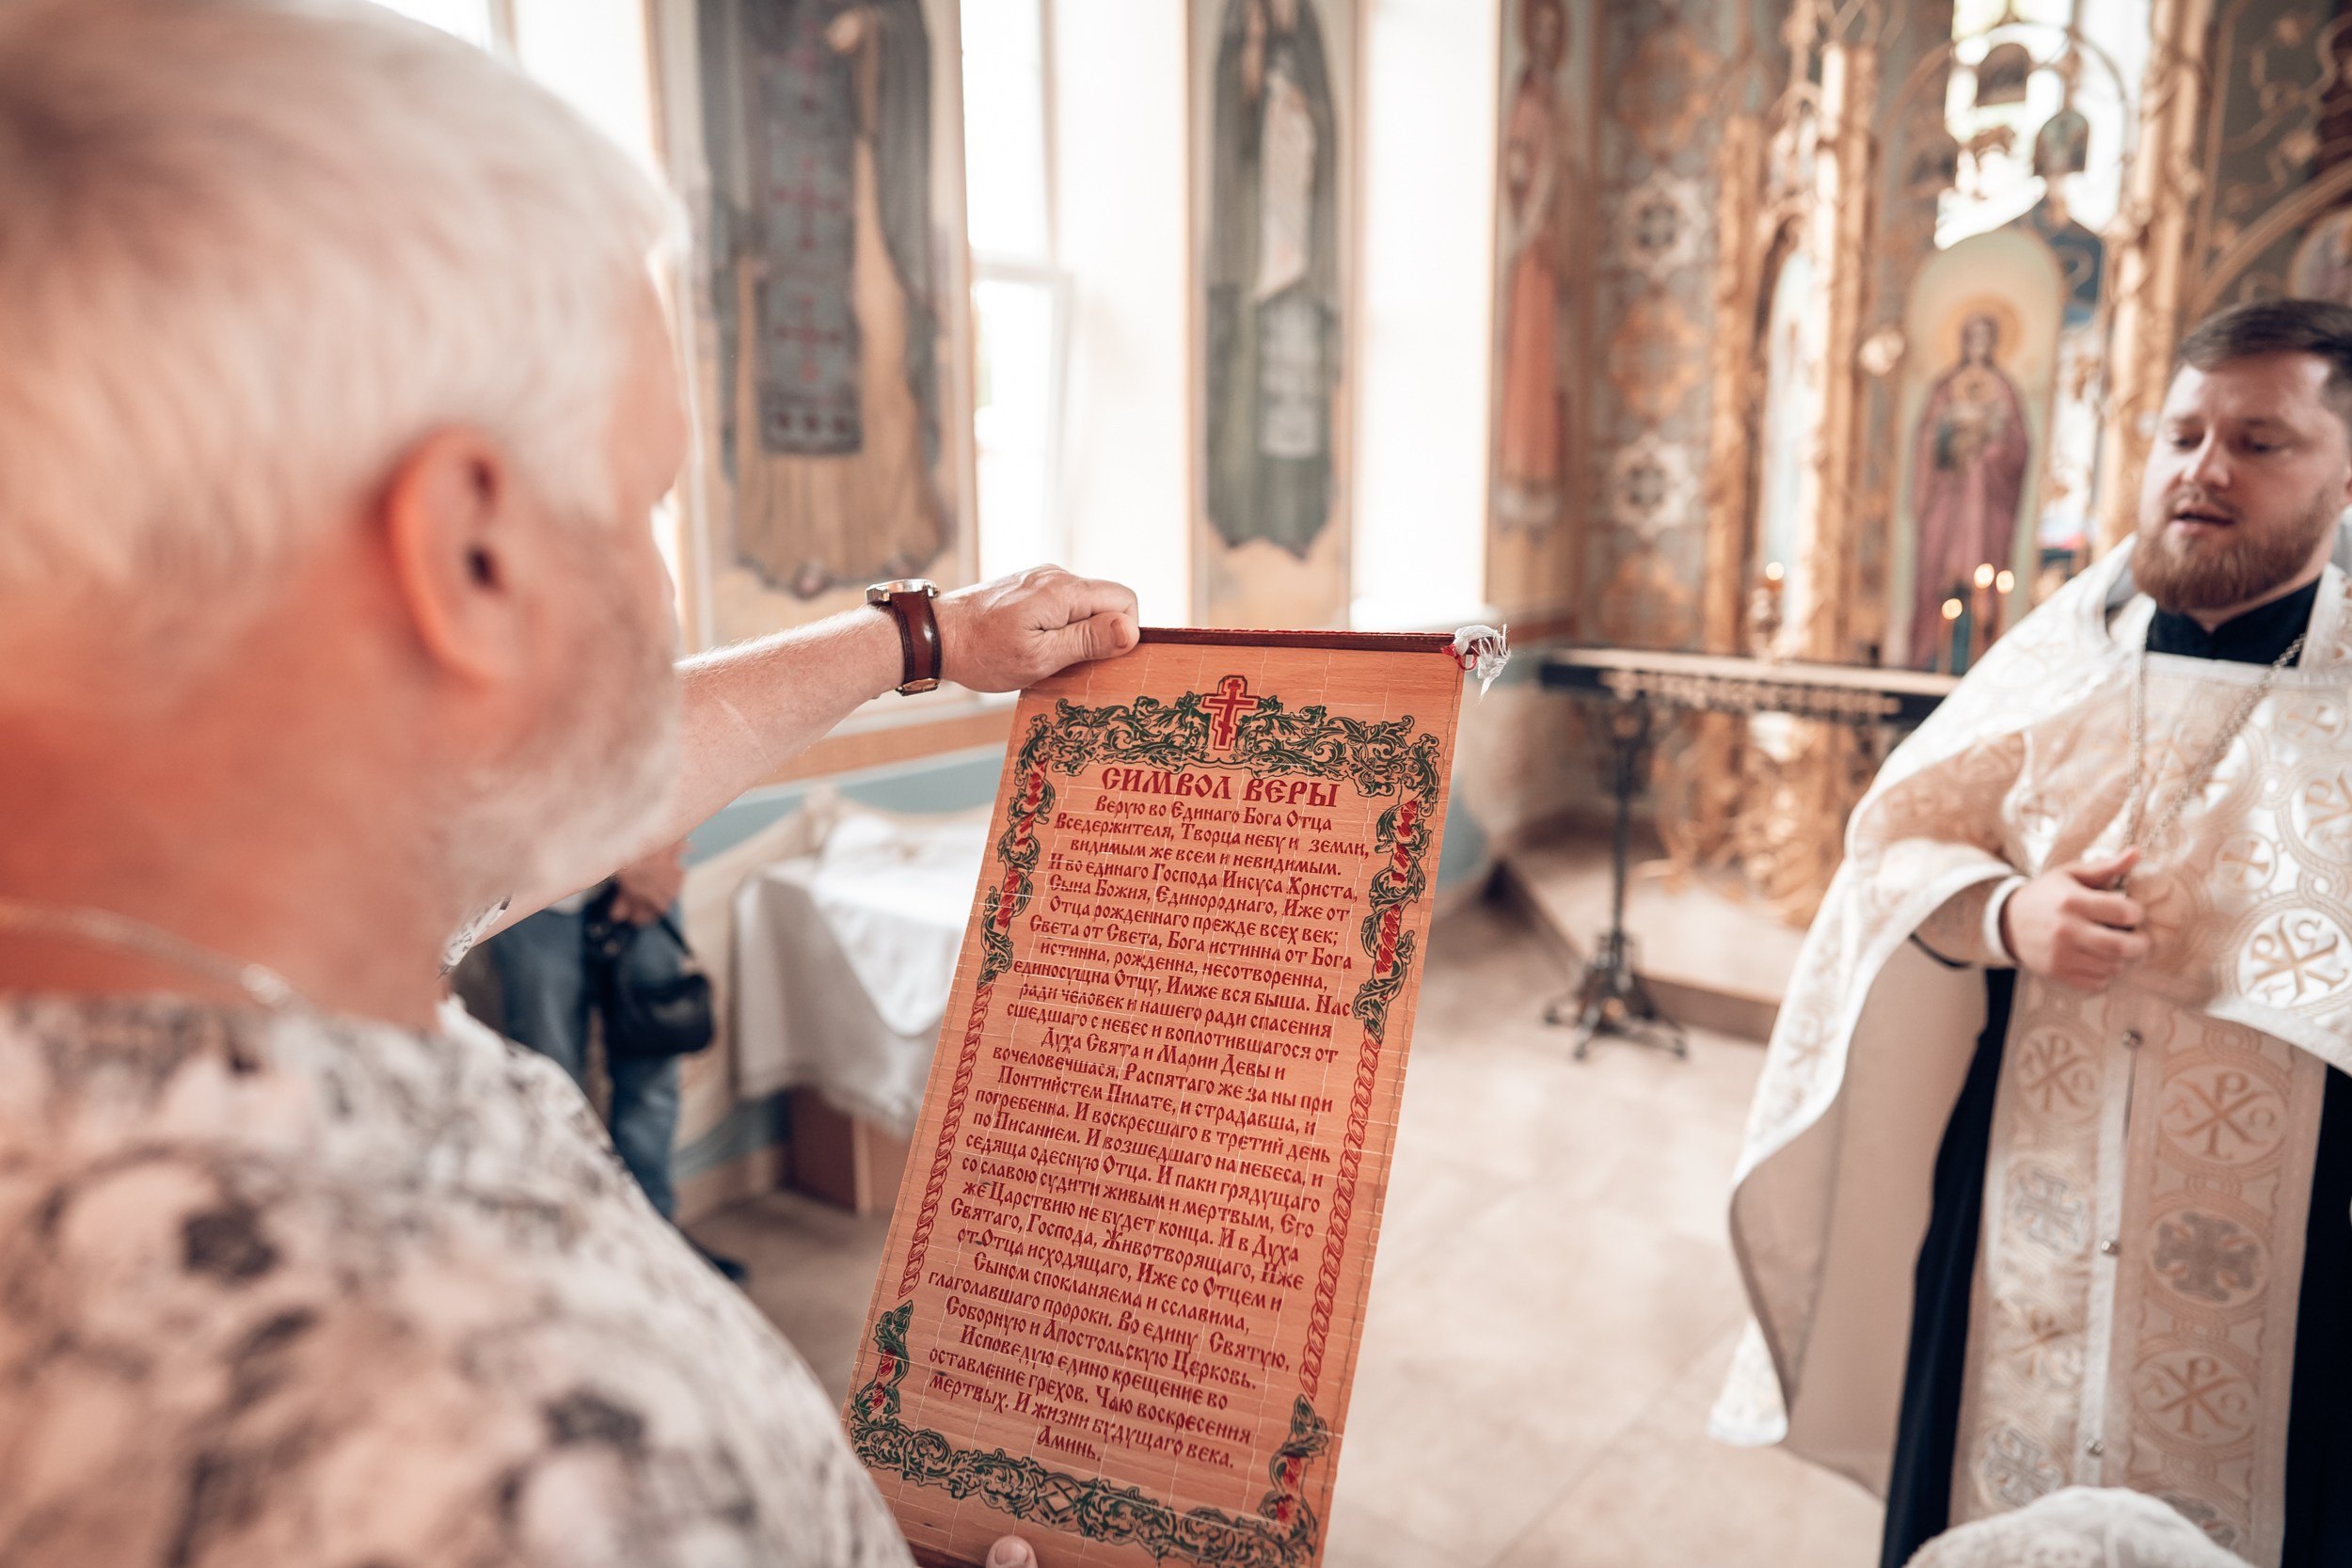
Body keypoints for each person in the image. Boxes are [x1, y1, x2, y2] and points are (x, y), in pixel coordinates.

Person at [0, 3, 1136, 1563]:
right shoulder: (526, 1450)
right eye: (642, 501)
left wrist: (925, 635)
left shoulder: (192, 923)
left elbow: (562, 789)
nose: (661, 582)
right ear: (471, 552)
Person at [1714, 298, 2352, 1568]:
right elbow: (1887, 850)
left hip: (2284, 1261)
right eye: (2181, 433)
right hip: (2020, 1206)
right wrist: (2008, 912)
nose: (2202, 470)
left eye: (2260, 440)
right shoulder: (2058, 657)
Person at [483, 839, 749, 1278]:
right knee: (550, 1083)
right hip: (532, 884)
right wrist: (623, 864)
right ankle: (578, 1251)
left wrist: (649, 861)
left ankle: (656, 1237)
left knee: (653, 1071)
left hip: (645, 863)